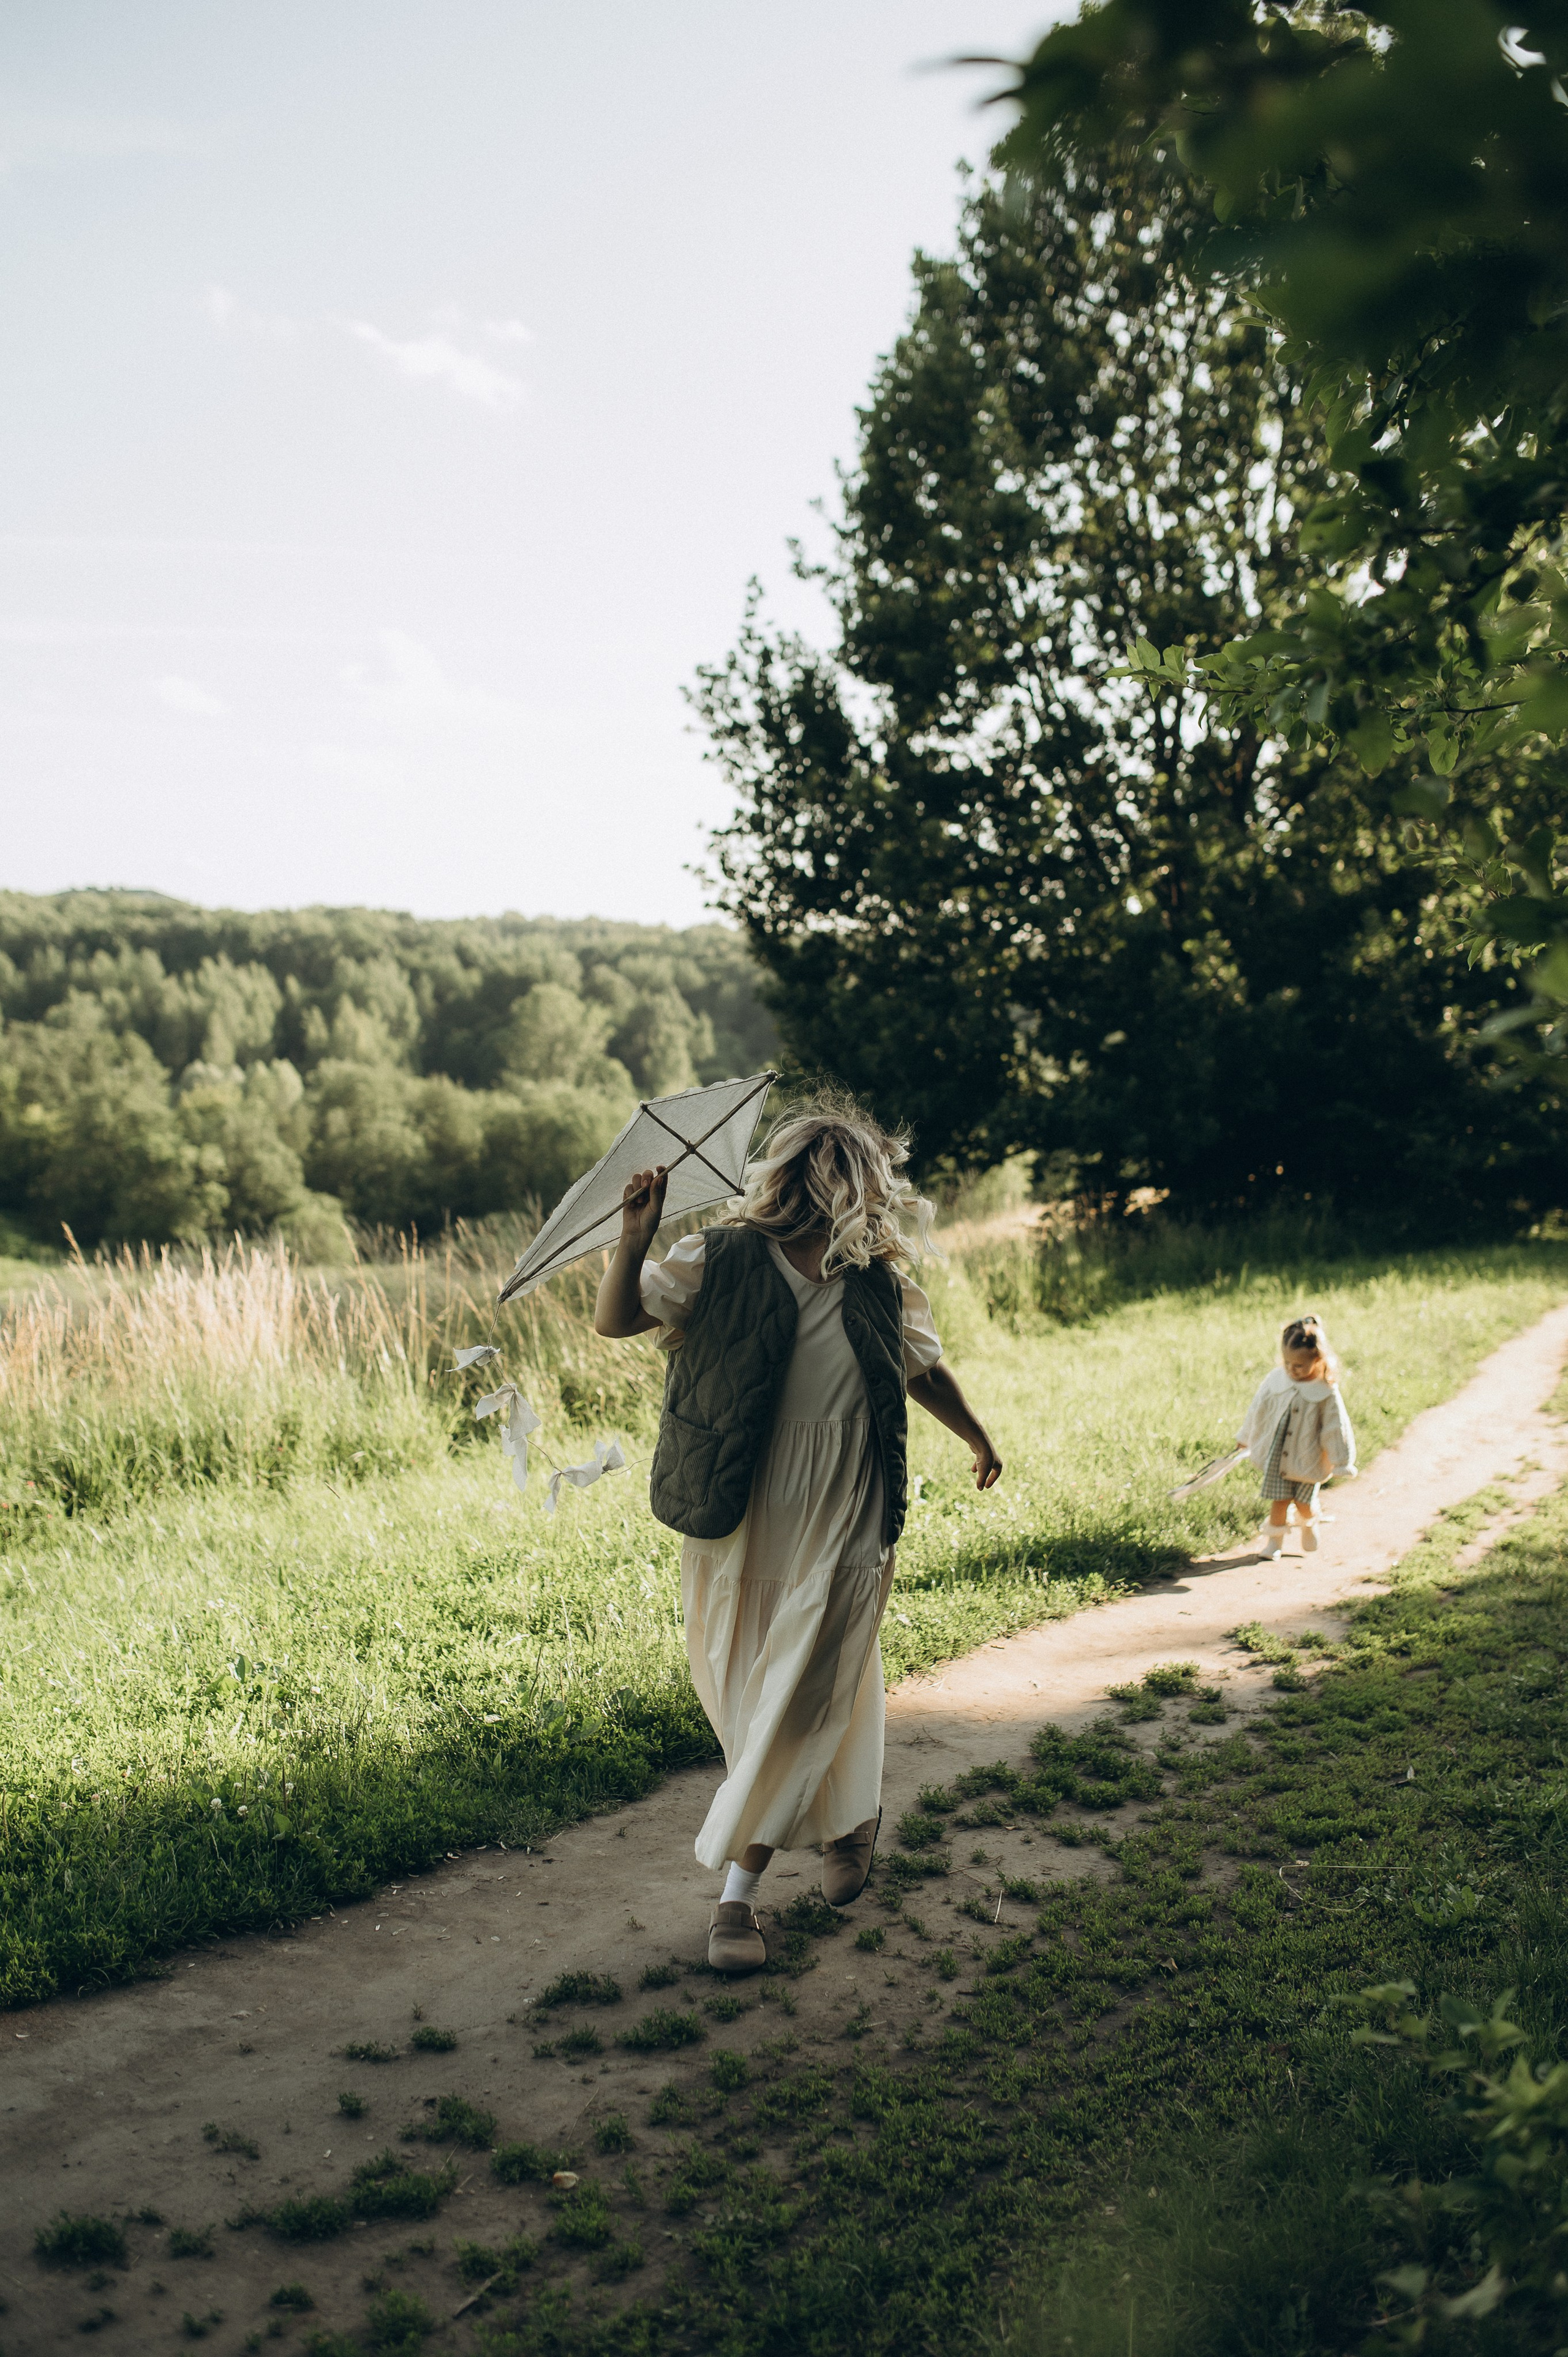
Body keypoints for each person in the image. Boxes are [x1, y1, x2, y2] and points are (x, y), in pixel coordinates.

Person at [595, 1096, 1003, 1974]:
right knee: (762, 1691)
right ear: (794, 1181)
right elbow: (619, 1320)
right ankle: (850, 1814)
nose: (840, 1195)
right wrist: (636, 1234)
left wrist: (976, 1435)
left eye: (849, 1180)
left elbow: (922, 1372)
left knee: (803, 1684)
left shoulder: (878, 1284)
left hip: (847, 1501)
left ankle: (735, 1904)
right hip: (744, 1504)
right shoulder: (721, 1257)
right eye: (828, 1177)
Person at [1237, 1313, 1357, 1558]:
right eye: (1287, 1363)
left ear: (1318, 1359)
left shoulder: (1325, 1391)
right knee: (1279, 1501)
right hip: (1278, 1457)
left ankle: (1309, 1523)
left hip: (1307, 1458)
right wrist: (1246, 1437)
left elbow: (1336, 1427)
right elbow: (1258, 1409)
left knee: (1304, 1503)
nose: (1292, 1369)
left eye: (1299, 1365)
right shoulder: (1276, 1379)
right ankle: (1275, 1543)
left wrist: (1341, 1461)